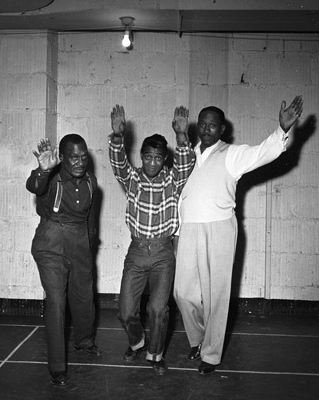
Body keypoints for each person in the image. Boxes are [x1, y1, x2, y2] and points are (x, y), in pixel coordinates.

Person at [173, 95, 304, 375]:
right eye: (203, 124)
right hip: (190, 228)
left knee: (217, 294)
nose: (207, 129)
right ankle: (197, 339)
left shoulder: (232, 154)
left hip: (219, 227)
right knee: (183, 293)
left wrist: (282, 130)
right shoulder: (188, 154)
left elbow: (263, 152)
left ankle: (210, 354)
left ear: (222, 130)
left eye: (213, 125)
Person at [109, 104, 196, 375]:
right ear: (142, 157)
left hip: (162, 253)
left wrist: (181, 135)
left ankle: (155, 355)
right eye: (148, 157)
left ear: (164, 160)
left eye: (159, 158)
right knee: (125, 311)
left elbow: (187, 163)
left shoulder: (172, 180)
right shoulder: (132, 178)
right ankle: (137, 342)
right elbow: (117, 162)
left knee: (158, 309)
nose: (153, 163)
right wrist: (117, 135)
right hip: (136, 251)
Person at [26, 134, 101, 387]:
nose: (80, 162)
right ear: (62, 157)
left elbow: (91, 218)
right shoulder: (51, 177)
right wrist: (41, 170)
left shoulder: (91, 181)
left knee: (83, 295)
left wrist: (89, 247)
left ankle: (84, 342)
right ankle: (57, 367)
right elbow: (34, 186)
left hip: (80, 240)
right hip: (51, 240)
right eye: (73, 157)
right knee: (57, 301)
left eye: (84, 156)